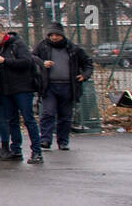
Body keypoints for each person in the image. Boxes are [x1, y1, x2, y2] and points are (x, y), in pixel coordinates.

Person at [0, 20, 42, 165]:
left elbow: (27, 62)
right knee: (12, 120)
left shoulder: (18, 44)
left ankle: (37, 151)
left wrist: (5, 61)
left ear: (3, 33)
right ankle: (16, 149)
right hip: (6, 89)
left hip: (23, 88)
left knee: (28, 119)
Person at [33, 23, 93, 151]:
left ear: (62, 35)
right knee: (48, 113)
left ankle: (63, 141)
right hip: (49, 86)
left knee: (65, 115)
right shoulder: (42, 46)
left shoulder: (73, 48)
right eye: (52, 35)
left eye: (57, 35)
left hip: (68, 86)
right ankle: (45, 139)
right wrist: (43, 63)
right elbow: (31, 57)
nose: (54, 37)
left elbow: (88, 63)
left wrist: (85, 75)